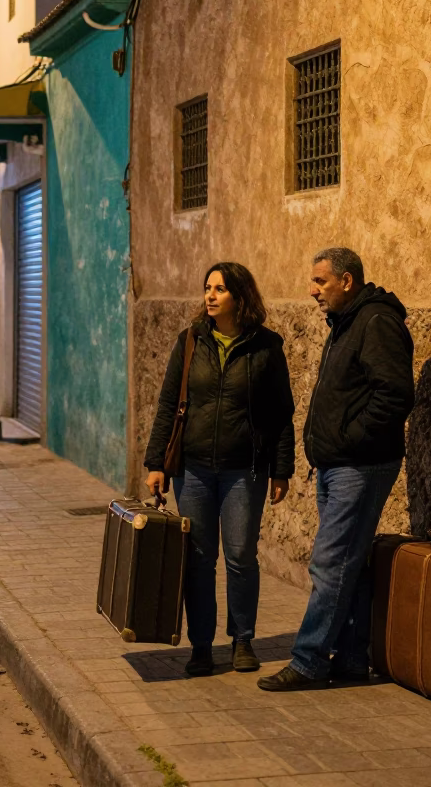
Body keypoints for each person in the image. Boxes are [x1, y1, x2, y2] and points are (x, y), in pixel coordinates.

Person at [258, 247, 415, 692]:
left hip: (359, 464)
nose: (312, 291)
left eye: (320, 282)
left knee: (329, 563)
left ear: (347, 281)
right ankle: (349, 658)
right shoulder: (347, 323)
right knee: (351, 564)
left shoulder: (377, 323)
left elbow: (395, 395)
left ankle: (309, 661)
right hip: (338, 464)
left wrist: (350, 439)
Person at [144, 262, 295, 678]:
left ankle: (243, 640)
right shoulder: (190, 341)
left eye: (220, 289)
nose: (210, 295)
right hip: (192, 470)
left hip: (244, 470)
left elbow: (282, 414)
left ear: (240, 296)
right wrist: (156, 463)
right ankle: (202, 646)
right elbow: (167, 404)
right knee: (198, 559)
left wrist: (281, 469)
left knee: (242, 556)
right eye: (207, 288)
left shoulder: (266, 347)